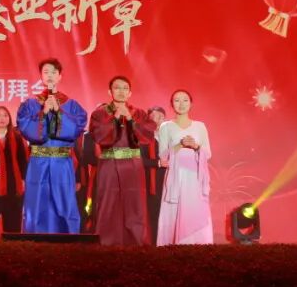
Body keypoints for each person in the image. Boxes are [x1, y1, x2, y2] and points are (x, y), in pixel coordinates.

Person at [16, 59, 88, 234]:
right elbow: (25, 128)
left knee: (65, 203)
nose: (50, 75)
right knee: (36, 204)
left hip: (62, 162)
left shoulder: (71, 105)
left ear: (60, 76)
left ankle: (68, 241)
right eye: (46, 72)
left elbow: (76, 129)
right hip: (38, 161)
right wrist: (44, 113)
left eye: (54, 72)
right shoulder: (30, 104)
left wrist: (58, 112)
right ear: (41, 76)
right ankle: (34, 240)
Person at [88, 75, 158, 246]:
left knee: (135, 204)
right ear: (110, 91)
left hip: (133, 166)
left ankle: (137, 243)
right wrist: (115, 119)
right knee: (108, 203)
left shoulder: (139, 113)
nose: (121, 91)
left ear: (130, 93)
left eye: (125, 88)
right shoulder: (99, 113)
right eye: (117, 88)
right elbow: (98, 135)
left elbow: (147, 134)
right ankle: (106, 242)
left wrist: (131, 120)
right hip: (109, 164)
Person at [155, 90, 213, 245]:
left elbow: (208, 153)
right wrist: (180, 145)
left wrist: (195, 146)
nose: (181, 104)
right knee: (173, 212)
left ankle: (198, 246)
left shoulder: (200, 126)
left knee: (194, 211)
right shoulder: (166, 126)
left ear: (191, 103)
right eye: (177, 100)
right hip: (175, 177)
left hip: (195, 177)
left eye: (185, 100)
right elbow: (163, 156)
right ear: (171, 104)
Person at [0, 106, 25, 240]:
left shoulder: (17, 137)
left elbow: (22, 160)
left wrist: (23, 180)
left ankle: (12, 248)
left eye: (5, 115)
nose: (2, 118)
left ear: (9, 118)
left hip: (13, 185)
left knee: (13, 222)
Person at [143, 106, 167, 244]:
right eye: (153, 117)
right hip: (152, 182)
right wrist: (158, 163)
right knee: (154, 215)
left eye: (160, 116)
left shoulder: (171, 135)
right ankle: (154, 245)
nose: (157, 120)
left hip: (171, 180)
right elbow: (138, 160)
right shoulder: (144, 138)